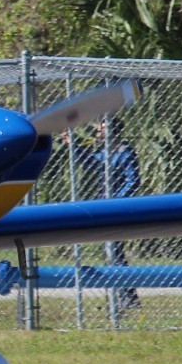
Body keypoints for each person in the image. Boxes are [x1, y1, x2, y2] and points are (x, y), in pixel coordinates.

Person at [69, 113, 141, 311]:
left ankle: (129, 298)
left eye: (102, 128)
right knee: (112, 253)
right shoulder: (108, 153)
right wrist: (74, 146)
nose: (98, 131)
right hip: (105, 208)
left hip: (116, 208)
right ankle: (124, 297)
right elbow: (92, 163)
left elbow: (133, 180)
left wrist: (116, 201)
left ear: (112, 130)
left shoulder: (125, 152)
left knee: (115, 253)